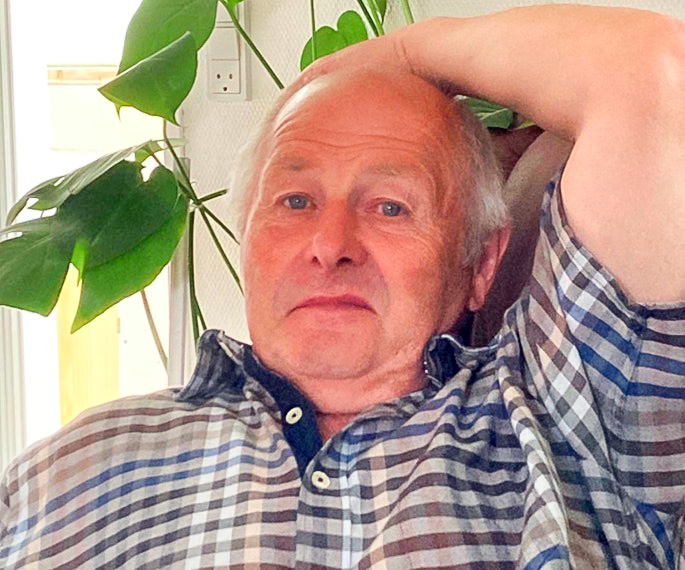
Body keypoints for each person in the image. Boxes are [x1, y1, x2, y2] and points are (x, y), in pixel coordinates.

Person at [2, 4, 684, 568]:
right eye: (295, 202)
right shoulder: (64, 473)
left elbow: (653, 75)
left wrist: (408, 54)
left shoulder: (566, 421)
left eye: (390, 207)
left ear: (479, 265)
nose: (329, 246)